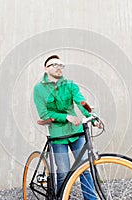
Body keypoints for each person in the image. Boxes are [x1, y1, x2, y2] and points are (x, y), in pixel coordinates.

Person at [33, 55, 98, 199]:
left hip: (76, 132)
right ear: (46, 68)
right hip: (58, 135)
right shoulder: (39, 89)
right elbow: (44, 114)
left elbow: (82, 102)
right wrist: (66, 117)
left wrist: (93, 117)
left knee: (85, 169)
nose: (58, 67)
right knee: (63, 172)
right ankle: (62, 197)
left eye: (60, 65)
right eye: (53, 65)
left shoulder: (70, 84)